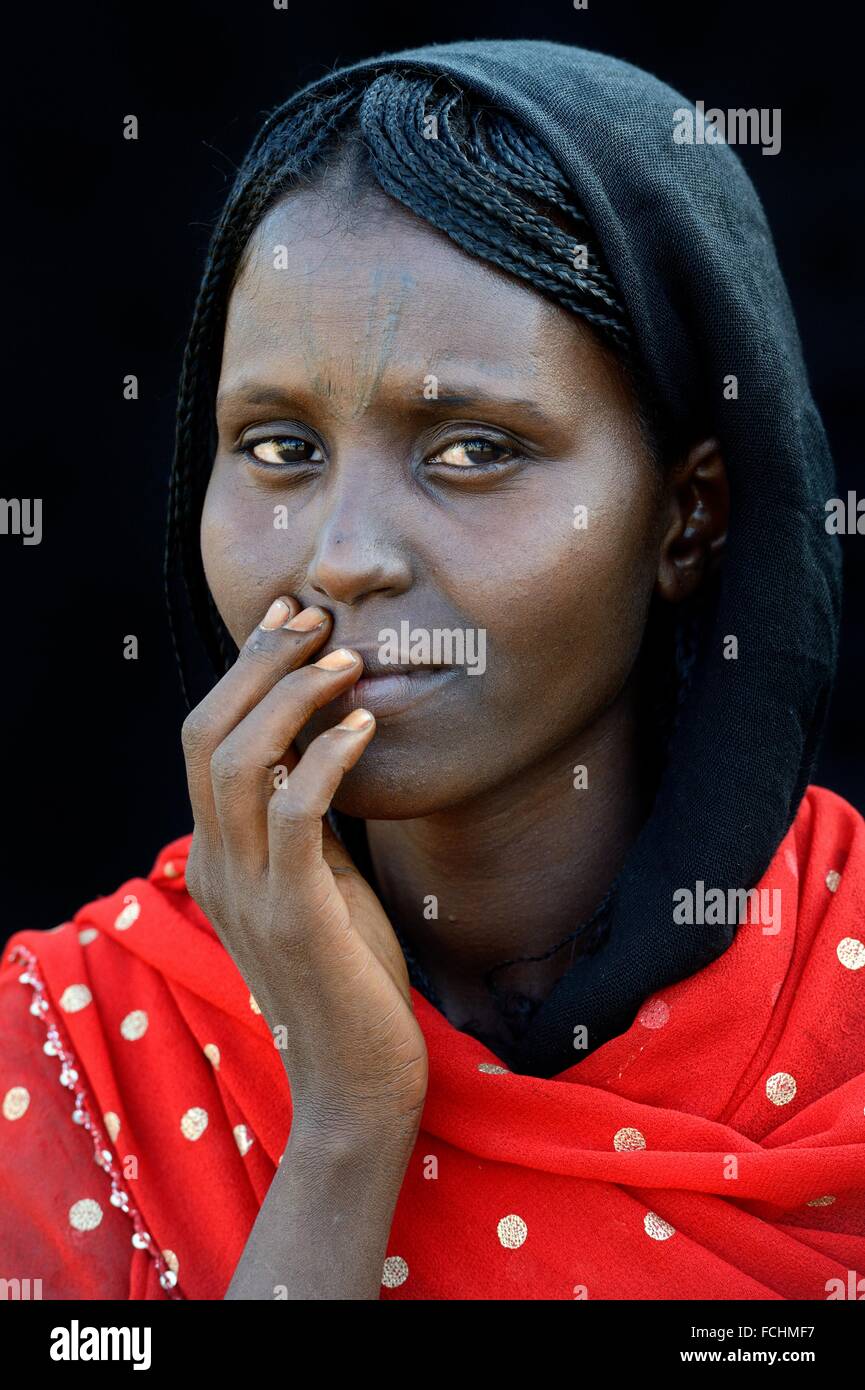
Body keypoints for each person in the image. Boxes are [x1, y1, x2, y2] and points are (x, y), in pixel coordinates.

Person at [1, 38, 862, 1302]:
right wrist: (347, 1123)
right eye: (279, 445)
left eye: (470, 450)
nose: (339, 558)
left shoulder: (833, 991)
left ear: (688, 516)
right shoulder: (71, 1044)